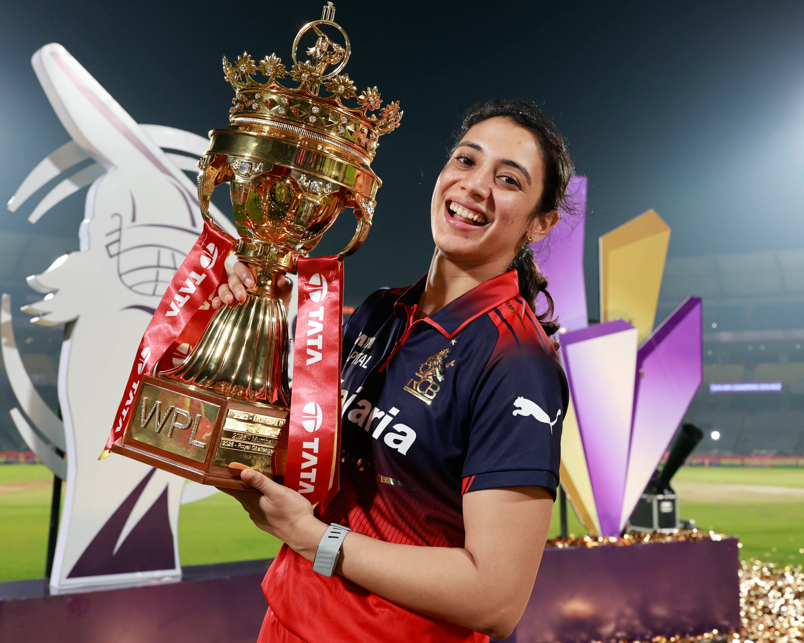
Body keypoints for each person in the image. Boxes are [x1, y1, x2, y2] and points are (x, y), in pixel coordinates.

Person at [211, 99, 573, 643]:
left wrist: (315, 540)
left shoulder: (517, 362)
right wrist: (256, 314)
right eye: (466, 160)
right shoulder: (380, 312)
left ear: (540, 223)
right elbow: (299, 462)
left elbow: (495, 598)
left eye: (508, 180)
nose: (475, 185)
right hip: (285, 621)